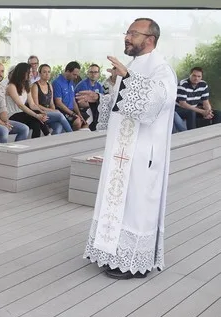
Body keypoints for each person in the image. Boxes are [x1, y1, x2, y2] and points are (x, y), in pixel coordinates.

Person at [78, 18, 177, 279]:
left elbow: (155, 102)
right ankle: (113, 252)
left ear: (150, 39)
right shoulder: (132, 65)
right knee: (117, 202)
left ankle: (135, 262)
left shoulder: (162, 69)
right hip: (122, 152)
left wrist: (129, 78)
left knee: (136, 205)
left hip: (144, 152)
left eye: (134, 33)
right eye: (128, 32)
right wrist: (100, 99)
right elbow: (122, 106)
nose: (127, 37)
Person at [6, 62, 51, 138]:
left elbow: (32, 105)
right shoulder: (11, 86)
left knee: (36, 125)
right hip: (12, 115)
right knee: (36, 118)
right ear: (22, 73)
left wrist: (41, 112)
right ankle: (48, 134)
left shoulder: (26, 86)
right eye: (29, 72)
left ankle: (34, 146)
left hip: (22, 114)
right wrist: (37, 115)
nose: (31, 74)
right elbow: (20, 105)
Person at [31, 64, 73, 135]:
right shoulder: (35, 86)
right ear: (39, 73)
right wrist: (53, 111)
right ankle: (72, 134)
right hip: (40, 113)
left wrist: (53, 111)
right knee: (60, 115)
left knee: (59, 126)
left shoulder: (49, 85)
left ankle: (53, 143)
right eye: (44, 72)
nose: (47, 74)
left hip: (49, 113)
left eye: (49, 72)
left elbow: (51, 103)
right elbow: (36, 105)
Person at [53, 61, 89, 130]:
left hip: (72, 111)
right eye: (74, 74)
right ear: (67, 71)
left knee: (88, 120)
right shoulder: (57, 83)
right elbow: (59, 103)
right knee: (77, 121)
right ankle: (73, 138)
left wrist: (78, 113)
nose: (76, 77)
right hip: (62, 111)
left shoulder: (71, 82)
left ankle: (79, 138)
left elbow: (73, 100)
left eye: (77, 75)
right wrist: (73, 114)